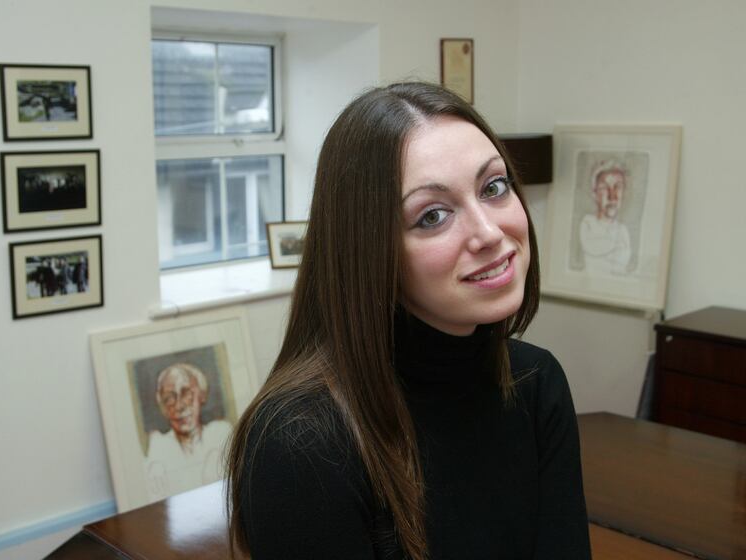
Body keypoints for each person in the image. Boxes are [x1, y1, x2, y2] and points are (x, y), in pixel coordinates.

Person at [226, 82, 591, 559]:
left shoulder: (537, 383)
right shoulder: (300, 444)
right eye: (433, 216)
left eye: (493, 187)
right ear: (369, 253)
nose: (488, 232)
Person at [144, 363, 232, 501]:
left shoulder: (221, 432)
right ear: (163, 407)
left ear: (202, 395)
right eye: (169, 398)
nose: (179, 406)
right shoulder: (158, 447)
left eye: (186, 393)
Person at [578, 159, 631, 276]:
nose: (612, 196)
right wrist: (615, 244)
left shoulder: (623, 230)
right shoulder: (588, 222)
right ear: (594, 194)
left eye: (618, 187)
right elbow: (592, 247)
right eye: (604, 188)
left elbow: (622, 266)